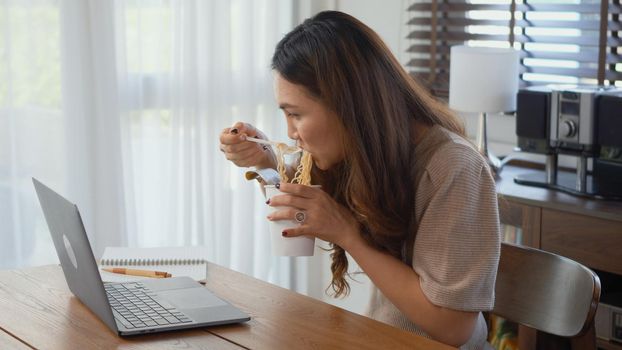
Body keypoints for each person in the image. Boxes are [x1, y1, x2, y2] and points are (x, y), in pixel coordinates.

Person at [219, 11, 500, 349]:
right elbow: (316, 178)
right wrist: (264, 154)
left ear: (347, 104)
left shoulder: (453, 168)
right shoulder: (373, 153)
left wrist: (347, 233)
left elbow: (453, 327)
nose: (292, 133)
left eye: (295, 114)